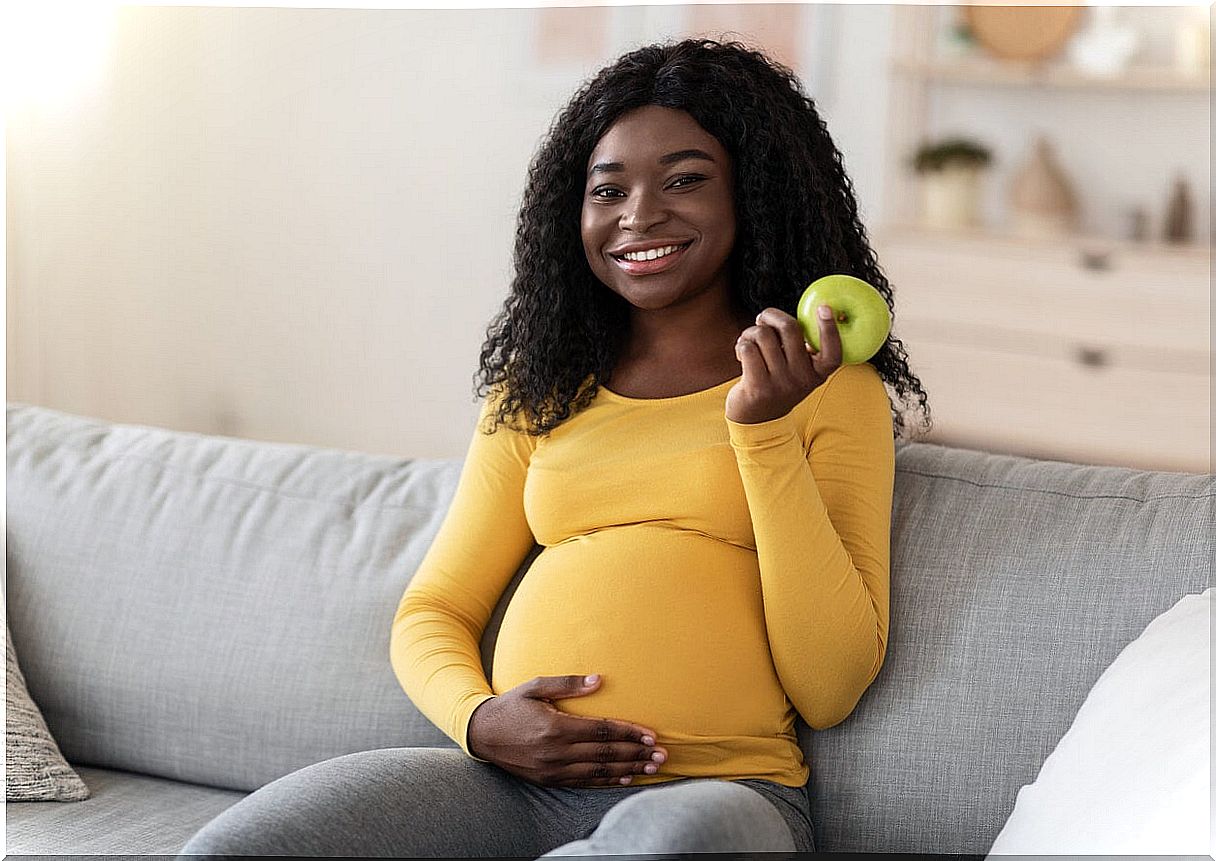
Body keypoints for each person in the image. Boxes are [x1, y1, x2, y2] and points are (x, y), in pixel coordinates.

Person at [179, 37, 929, 859]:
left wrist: (760, 431)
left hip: (721, 794)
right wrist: (478, 719)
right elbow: (435, 610)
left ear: (756, 194)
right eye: (609, 189)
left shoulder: (827, 388)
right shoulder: (538, 391)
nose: (639, 214)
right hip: (508, 790)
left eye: (685, 180)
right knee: (238, 847)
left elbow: (829, 685)